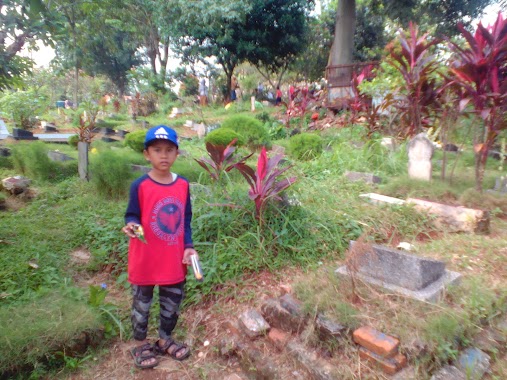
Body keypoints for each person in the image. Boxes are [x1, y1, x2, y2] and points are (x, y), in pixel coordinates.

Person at [122, 125, 198, 369]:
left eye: (169, 150)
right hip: (145, 258)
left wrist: (188, 247)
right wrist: (132, 225)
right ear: (147, 154)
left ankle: (165, 339)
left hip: (173, 259)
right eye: (157, 150)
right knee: (141, 304)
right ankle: (141, 343)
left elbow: (185, 219)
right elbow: (131, 215)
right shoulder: (140, 186)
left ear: (177, 154)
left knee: (171, 303)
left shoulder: (183, 185)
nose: (163, 155)